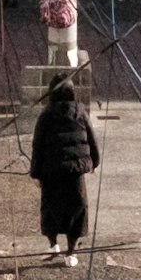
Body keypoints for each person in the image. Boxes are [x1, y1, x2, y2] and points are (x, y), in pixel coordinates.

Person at [29, 68, 101, 258]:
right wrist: (94, 161)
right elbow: (92, 139)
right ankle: (72, 250)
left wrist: (35, 173)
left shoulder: (45, 115)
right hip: (75, 171)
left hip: (51, 170)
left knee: (51, 207)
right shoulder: (80, 112)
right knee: (77, 207)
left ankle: (53, 245)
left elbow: (38, 146)